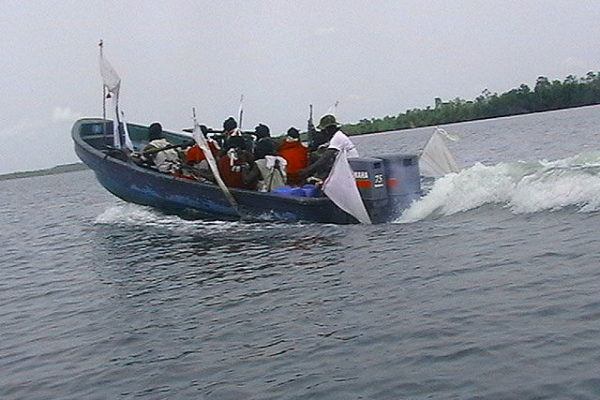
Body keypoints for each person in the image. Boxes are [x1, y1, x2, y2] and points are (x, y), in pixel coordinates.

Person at [298, 114, 358, 181]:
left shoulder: (338, 137)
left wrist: (307, 170)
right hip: (345, 164)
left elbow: (326, 157)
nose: (322, 132)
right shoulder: (336, 137)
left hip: (348, 166)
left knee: (317, 158)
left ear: (327, 130)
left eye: (323, 130)